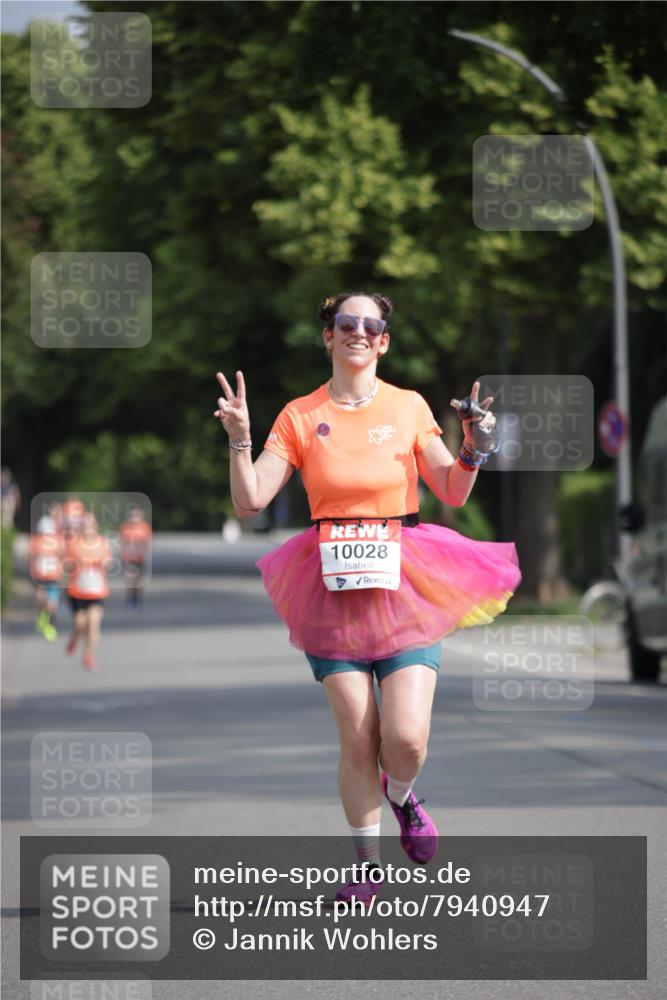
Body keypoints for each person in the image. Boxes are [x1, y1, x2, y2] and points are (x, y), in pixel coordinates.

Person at [214, 291, 521, 905]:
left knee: (404, 737)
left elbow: (453, 491)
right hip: (330, 589)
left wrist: (474, 446)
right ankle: (366, 871)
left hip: (405, 581)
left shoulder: (408, 407)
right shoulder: (299, 416)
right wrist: (241, 440)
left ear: (383, 341)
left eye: (370, 325)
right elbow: (251, 501)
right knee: (358, 738)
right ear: (328, 336)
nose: (358, 332)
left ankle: (403, 798)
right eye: (345, 323)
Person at [63, 511, 113, 671]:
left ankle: (89, 655)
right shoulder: (74, 545)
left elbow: (109, 564)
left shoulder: (102, 544)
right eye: (84, 524)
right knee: (80, 622)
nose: (87, 527)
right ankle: (75, 638)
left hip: (97, 591)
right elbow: (66, 567)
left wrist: (105, 564)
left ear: (96, 526)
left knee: (93, 622)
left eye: (90, 524)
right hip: (78, 591)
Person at [30, 515, 64, 641]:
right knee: (40, 600)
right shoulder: (35, 542)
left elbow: (63, 558)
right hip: (39, 577)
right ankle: (42, 617)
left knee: (52, 605)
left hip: (53, 577)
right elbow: (31, 558)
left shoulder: (58, 542)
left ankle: (51, 627)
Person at [119, 506, 152, 606]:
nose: (134, 517)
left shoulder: (145, 527)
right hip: (128, 557)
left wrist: (146, 554)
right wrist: (121, 553)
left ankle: (137, 596)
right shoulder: (125, 527)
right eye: (132, 515)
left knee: (138, 579)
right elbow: (121, 542)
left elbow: (148, 542)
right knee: (129, 578)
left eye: (136, 515)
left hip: (140, 557)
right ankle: (129, 597)